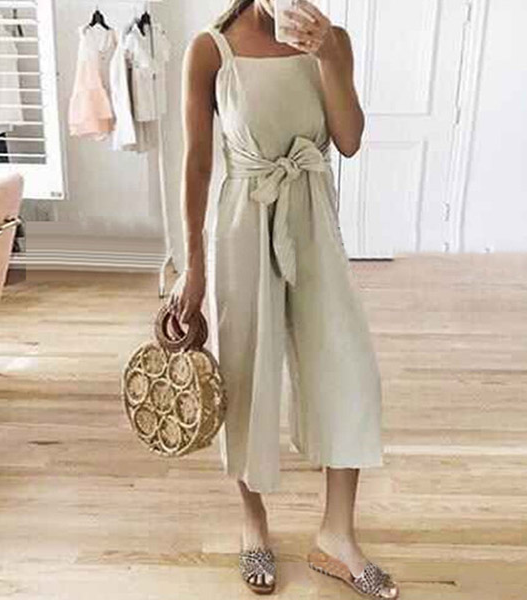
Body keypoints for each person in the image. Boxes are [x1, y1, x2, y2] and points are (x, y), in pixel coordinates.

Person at [168, 1, 399, 597]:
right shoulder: (210, 50)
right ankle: (253, 522)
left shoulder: (333, 40)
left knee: (348, 369)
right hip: (242, 220)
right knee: (243, 376)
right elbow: (197, 165)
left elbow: (348, 140)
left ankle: (337, 537)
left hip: (312, 217)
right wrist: (192, 266)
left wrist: (329, 55)